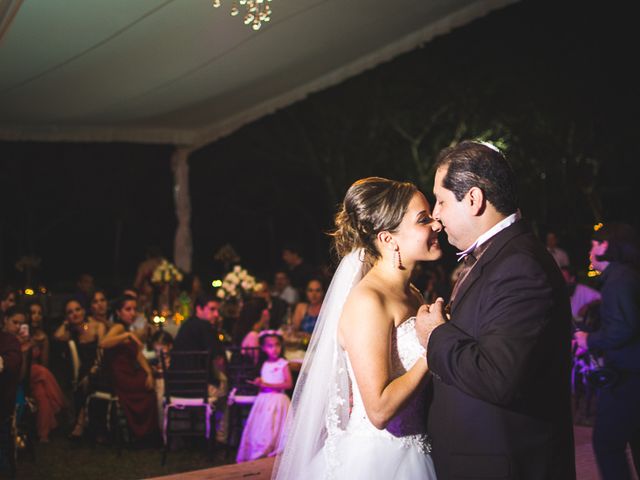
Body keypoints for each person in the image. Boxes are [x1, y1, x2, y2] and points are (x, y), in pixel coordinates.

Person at [419, 140, 575, 479]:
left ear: (473, 199)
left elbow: (498, 376)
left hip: (502, 465)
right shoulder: (499, 256)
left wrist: (436, 334)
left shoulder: (520, 266)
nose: (435, 213)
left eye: (441, 200)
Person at [273, 177, 442, 479]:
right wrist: (432, 350)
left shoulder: (413, 293)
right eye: (423, 219)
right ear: (389, 238)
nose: (437, 225)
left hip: (419, 447)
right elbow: (378, 410)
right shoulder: (369, 301)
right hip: (380, 459)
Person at [574, 223, 640, 480]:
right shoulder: (627, 275)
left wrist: (589, 339)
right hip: (632, 374)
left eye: (592, 245)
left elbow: (623, 328)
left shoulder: (619, 280)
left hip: (627, 377)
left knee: (607, 444)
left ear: (605, 246)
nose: (589, 252)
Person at [100, 296, 158, 443]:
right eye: (128, 309)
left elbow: (138, 354)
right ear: (118, 313)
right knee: (148, 387)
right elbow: (103, 343)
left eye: (134, 309)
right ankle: (142, 434)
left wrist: (149, 372)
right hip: (119, 375)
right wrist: (127, 335)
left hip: (128, 372)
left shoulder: (127, 328)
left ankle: (144, 433)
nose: (132, 313)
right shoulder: (118, 327)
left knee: (150, 381)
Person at [53, 298, 106, 439]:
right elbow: (57, 336)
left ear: (83, 310)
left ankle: (80, 423)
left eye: (77, 309)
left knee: (89, 378)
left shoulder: (96, 326)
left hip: (100, 366)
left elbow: (102, 350)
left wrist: (96, 367)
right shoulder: (72, 332)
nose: (75, 314)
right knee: (85, 379)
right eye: (70, 312)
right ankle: (89, 426)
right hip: (83, 371)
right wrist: (66, 323)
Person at [236, 330, 292, 462]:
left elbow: (288, 384)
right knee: (262, 428)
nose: (274, 349)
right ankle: (261, 453)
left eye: (277, 345)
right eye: (270, 346)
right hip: (264, 401)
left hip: (278, 401)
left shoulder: (283, 364)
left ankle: (274, 453)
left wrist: (267, 384)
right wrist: (259, 383)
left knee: (277, 428)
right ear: (263, 348)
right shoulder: (263, 364)